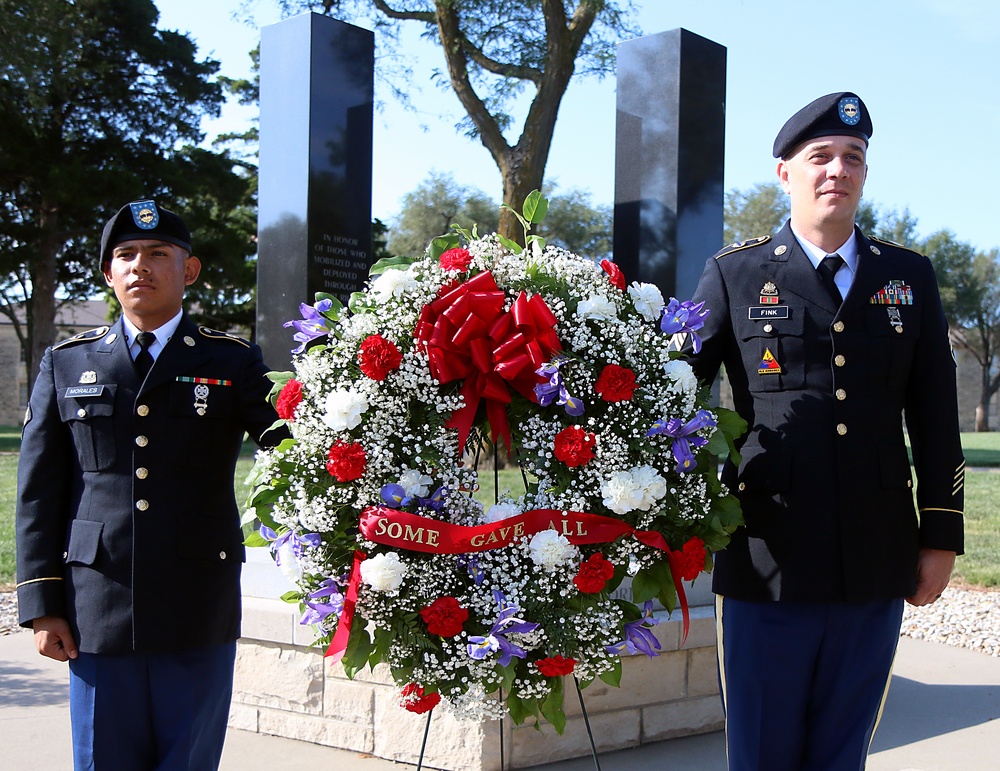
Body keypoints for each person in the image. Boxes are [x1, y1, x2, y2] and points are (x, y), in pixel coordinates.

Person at [689, 93, 965, 770]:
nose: (837, 169)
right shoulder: (736, 272)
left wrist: (941, 535)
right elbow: (670, 383)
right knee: (762, 750)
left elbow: (935, 413)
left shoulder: (908, 276)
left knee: (842, 752)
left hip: (874, 556)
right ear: (785, 173)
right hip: (765, 557)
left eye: (853, 157)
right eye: (820, 157)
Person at [15, 200, 286, 769]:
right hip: (96, 606)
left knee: (187, 761)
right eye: (126, 255)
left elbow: (294, 444)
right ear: (109, 275)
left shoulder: (231, 361)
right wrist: (42, 604)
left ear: (188, 271)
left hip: (197, 604)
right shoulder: (67, 363)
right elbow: (39, 492)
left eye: (158, 253)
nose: (141, 265)